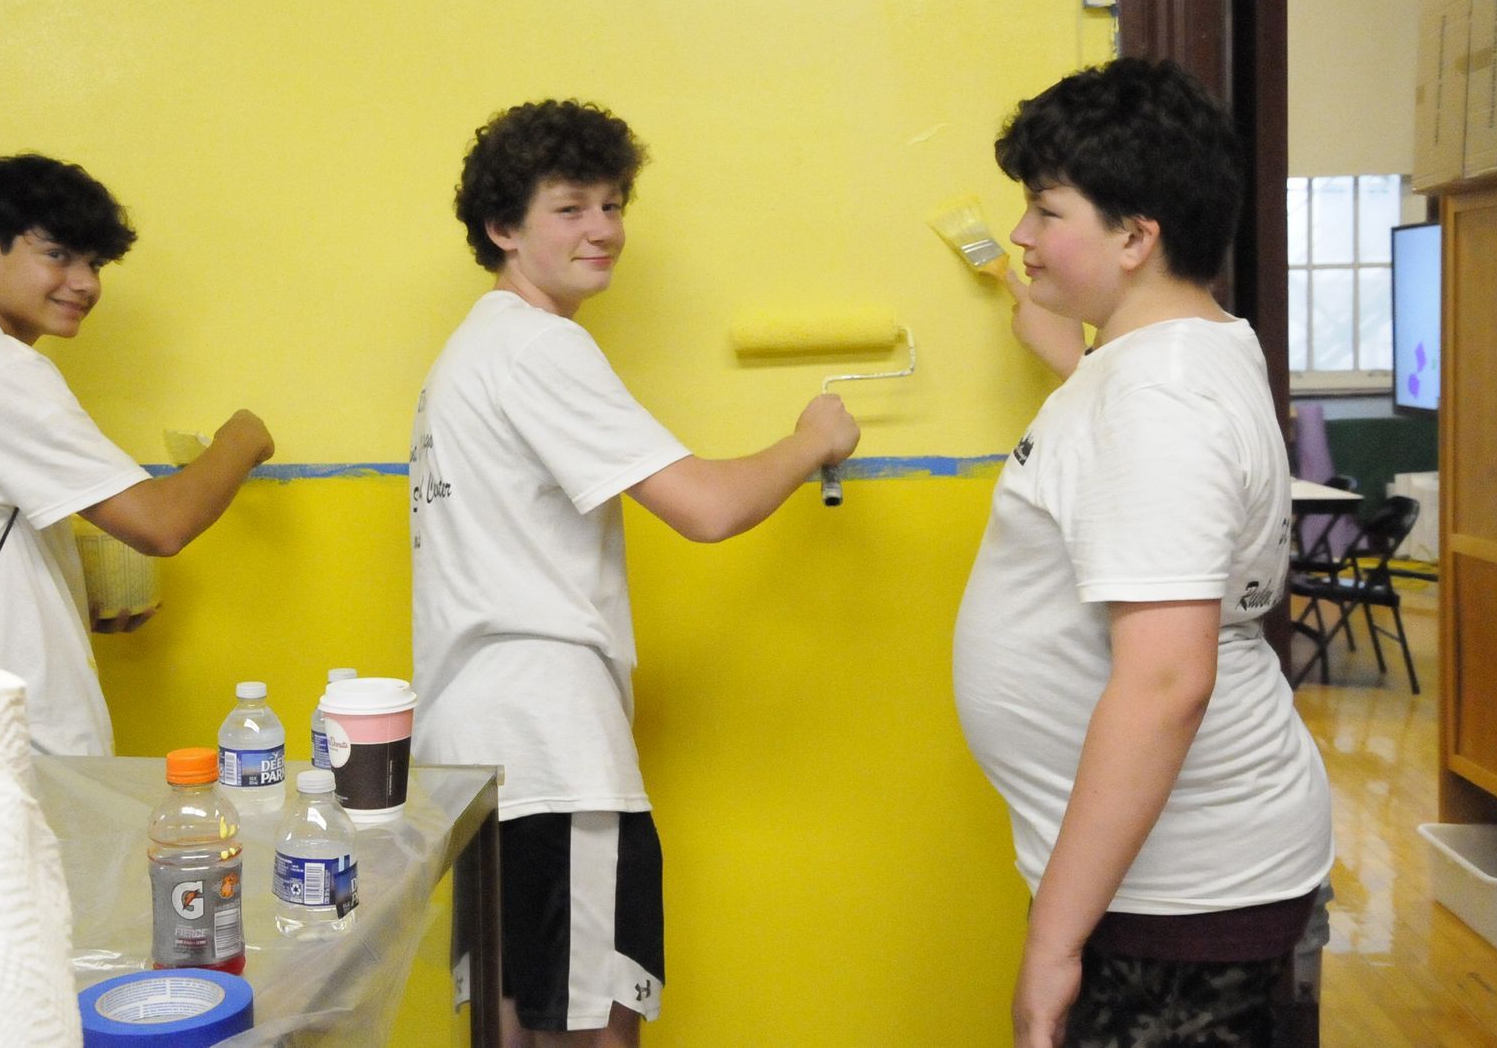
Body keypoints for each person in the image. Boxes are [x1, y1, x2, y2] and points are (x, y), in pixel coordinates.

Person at [409, 99, 859, 1047]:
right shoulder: (539, 347)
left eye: (613, 205)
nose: (605, 230)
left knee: (508, 1022)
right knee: (587, 1028)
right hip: (552, 745)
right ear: (503, 227)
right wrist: (809, 438)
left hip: (483, 743)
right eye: (571, 208)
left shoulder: (472, 353)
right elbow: (705, 506)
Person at [952, 59, 1333, 1048]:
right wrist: (1048, 318)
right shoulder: (1179, 354)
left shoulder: (1155, 402)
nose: (1026, 236)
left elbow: (1167, 685)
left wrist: (1051, 944)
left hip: (1181, 911)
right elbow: (1131, 433)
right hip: (1189, 892)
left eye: (1045, 213)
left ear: (1135, 235)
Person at [0, 154, 273, 755]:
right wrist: (241, 440)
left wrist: (65, 589)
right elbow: (162, 524)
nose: (86, 283)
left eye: (95, 263)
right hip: (18, 747)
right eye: (58, 255)